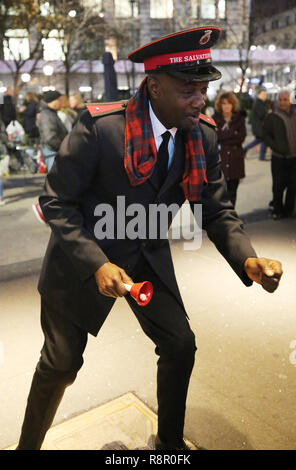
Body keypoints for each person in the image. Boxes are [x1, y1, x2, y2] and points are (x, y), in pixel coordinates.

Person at [17, 27, 283, 451]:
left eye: (204, 87)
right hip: (84, 260)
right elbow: (56, 202)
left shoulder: (203, 134)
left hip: (145, 258)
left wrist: (247, 259)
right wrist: (97, 263)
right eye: (188, 90)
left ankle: (170, 448)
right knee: (61, 364)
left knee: (180, 345)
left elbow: (216, 210)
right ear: (154, 86)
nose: (200, 99)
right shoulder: (102, 128)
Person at [263, 90, 296, 219]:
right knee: (278, 185)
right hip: (279, 158)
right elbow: (265, 135)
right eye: (280, 99)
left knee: (293, 186)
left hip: (294, 158)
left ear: (290, 100)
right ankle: (277, 210)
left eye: (285, 99)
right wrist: (276, 146)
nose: (283, 102)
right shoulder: (272, 116)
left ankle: (289, 210)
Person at [213, 91, 246, 208]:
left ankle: (231, 219)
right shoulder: (214, 119)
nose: (226, 106)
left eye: (229, 103)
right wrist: (233, 133)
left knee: (232, 192)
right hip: (220, 162)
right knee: (220, 194)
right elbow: (214, 138)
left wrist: (223, 135)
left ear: (233, 105)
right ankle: (222, 220)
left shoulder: (239, 118)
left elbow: (241, 138)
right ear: (220, 105)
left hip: (235, 161)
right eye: (223, 103)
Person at [36, 90, 68, 172]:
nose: (62, 103)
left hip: (54, 152)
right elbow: (50, 138)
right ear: (54, 101)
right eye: (60, 100)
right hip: (52, 153)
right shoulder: (47, 115)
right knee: (56, 181)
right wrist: (64, 148)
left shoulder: (51, 113)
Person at [243, 88, 268, 160]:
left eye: (265, 94)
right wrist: (267, 113)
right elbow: (261, 115)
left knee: (260, 140)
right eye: (263, 94)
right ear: (259, 95)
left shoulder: (259, 103)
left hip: (258, 126)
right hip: (258, 126)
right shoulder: (258, 103)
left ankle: (246, 149)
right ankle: (261, 157)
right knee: (263, 139)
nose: (265, 96)